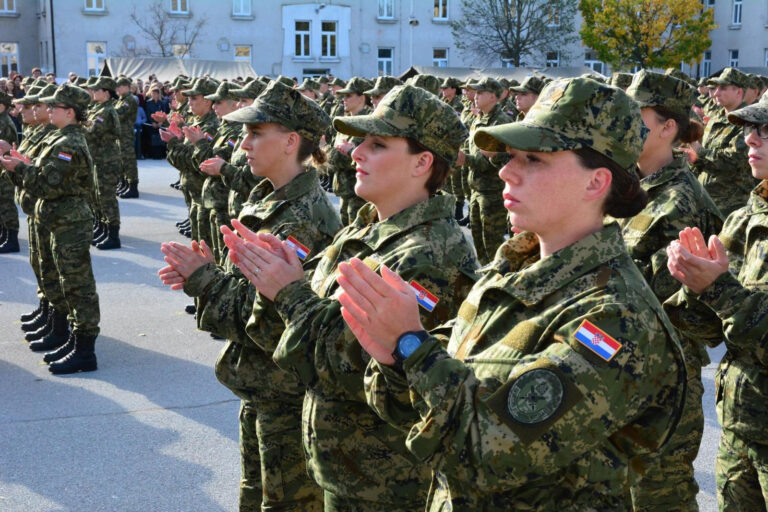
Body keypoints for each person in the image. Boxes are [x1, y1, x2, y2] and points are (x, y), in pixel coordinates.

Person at [336, 77, 687, 511]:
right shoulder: (510, 272)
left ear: (596, 183)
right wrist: (394, 361)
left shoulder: (614, 317)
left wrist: (412, 347)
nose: (506, 170)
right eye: (511, 157)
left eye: (534, 159)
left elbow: (489, 451)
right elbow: (418, 412)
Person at [227, 84, 478, 511]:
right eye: (360, 141)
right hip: (344, 470)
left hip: (385, 484)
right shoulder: (364, 232)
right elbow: (286, 333)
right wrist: (278, 278)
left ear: (422, 163)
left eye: (377, 144)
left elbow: (347, 366)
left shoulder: (429, 259)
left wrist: (288, 292)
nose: (355, 153)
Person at [159, 80, 340, 511]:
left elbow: (269, 322)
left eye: (257, 133)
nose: (244, 143)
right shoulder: (269, 197)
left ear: (291, 141)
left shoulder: (301, 220)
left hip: (285, 393)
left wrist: (205, 280)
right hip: (263, 386)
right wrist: (211, 275)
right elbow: (250, 293)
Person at [621, 70, 724, 511]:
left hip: (661, 377)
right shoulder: (626, 185)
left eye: (636, 115)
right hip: (617, 363)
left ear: (667, 128)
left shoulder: (679, 202)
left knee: (658, 496)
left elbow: (661, 303)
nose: (623, 123)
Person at [666, 89, 768, 512]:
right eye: (750, 129)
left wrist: (719, 289)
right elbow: (711, 330)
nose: (750, 140)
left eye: (765, 130)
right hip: (742, 428)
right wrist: (693, 282)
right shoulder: (752, 211)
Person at [0, 84, 101, 374]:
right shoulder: (60, 138)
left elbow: (48, 185)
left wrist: (18, 169)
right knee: (65, 281)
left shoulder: (69, 144)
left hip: (70, 222)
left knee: (78, 286)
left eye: (54, 107)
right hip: (59, 220)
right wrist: (21, 166)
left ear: (69, 112)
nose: (48, 110)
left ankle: (85, 351)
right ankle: (72, 338)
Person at [687, 67, 756, 217]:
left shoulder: (747, 121)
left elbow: (735, 160)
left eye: (723, 88)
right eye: (716, 88)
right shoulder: (716, 117)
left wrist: (700, 152)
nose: (716, 93)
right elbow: (703, 157)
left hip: (731, 204)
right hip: (705, 199)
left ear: (738, 92)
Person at [456, 77, 511, 264]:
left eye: (480, 93)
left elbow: (497, 159)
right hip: (476, 189)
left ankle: (500, 282)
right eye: (476, 92)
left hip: (493, 191)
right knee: (478, 240)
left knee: (493, 243)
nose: (476, 96)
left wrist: (466, 160)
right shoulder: (478, 117)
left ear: (494, 97)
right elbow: (470, 147)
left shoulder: (500, 122)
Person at [326, 76, 372, 225]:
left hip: (358, 192)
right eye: (343, 96)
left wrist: (325, 150)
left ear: (362, 97)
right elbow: (338, 152)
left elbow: (349, 158)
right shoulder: (347, 121)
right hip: (345, 189)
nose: (344, 99)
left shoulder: (365, 124)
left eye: (349, 95)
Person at [85, 76, 123, 250]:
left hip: (106, 160)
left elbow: (93, 131)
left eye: (96, 89)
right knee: (98, 196)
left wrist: (78, 125)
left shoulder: (106, 111)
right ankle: (103, 228)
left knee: (106, 197)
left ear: (106, 93)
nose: (93, 92)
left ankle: (113, 235)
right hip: (98, 158)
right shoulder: (98, 108)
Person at [0, 89, 20, 253]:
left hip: (5, 168)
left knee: (6, 203)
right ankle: (4, 234)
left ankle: (12, 239)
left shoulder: (5, 122)